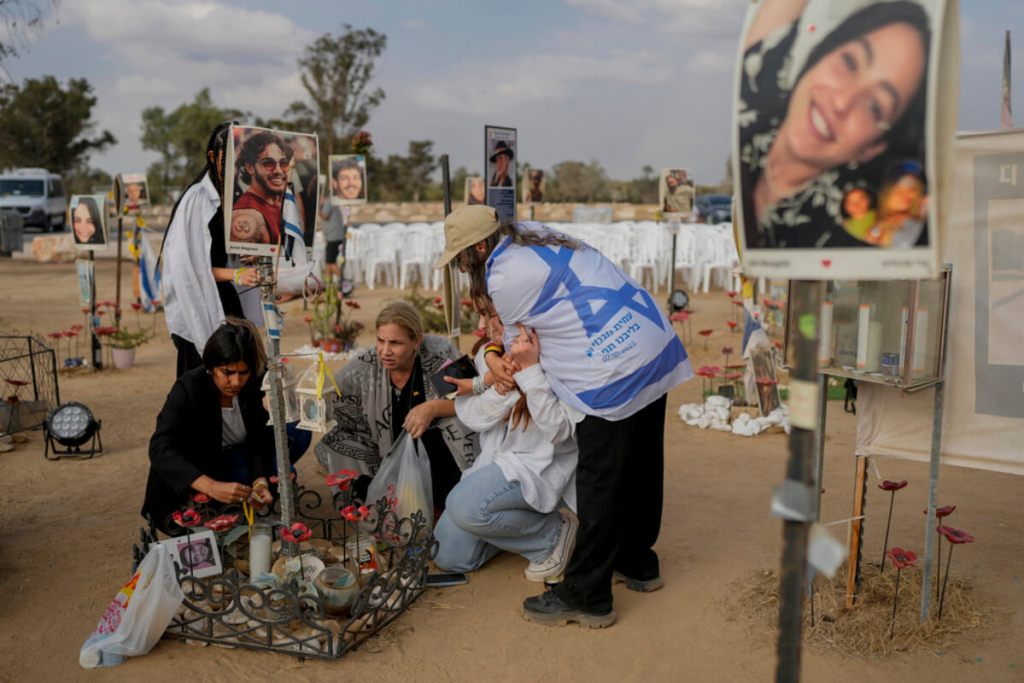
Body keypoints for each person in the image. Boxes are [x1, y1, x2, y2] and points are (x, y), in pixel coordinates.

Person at [435, 205, 693, 628]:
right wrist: (498, 354)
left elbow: (523, 349)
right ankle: (638, 562)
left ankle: (587, 596)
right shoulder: (530, 233)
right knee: (644, 466)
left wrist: (500, 360)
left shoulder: (500, 276)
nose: (463, 268)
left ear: (478, 248)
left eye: (462, 258)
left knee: (601, 482)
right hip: (648, 341)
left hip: (608, 368)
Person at [738, 0, 931, 248]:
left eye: (875, 106)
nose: (842, 103)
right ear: (821, 53)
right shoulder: (754, 91)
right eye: (850, 63)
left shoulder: (841, 235)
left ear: (873, 148)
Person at [434, 300, 579, 581]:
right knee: (449, 555)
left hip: (538, 468)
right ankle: (505, 528)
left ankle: (552, 535)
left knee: (463, 505)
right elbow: (472, 418)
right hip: (494, 465)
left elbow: (559, 433)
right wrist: (498, 386)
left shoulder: (558, 361)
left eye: (490, 316)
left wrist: (527, 373)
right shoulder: (488, 357)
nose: (480, 326)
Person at [160, 122, 317, 377]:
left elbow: (231, 255)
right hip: (203, 301)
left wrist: (250, 257)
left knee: (244, 373)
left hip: (229, 300)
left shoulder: (231, 199)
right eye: (227, 155)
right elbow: (186, 269)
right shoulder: (197, 200)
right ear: (213, 157)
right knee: (206, 381)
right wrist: (234, 275)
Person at [315, 301, 477, 511]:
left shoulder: (436, 355)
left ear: (416, 341)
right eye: (380, 341)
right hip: (386, 454)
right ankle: (374, 506)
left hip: (438, 455)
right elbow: (330, 393)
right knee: (334, 441)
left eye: (395, 343)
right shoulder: (369, 362)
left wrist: (433, 408)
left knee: (446, 428)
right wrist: (288, 398)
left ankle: (451, 503)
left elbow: (475, 400)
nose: (385, 351)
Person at [142, 319, 275, 535]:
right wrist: (211, 486)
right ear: (211, 368)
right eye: (227, 372)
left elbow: (258, 439)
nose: (236, 382)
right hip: (197, 472)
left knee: (295, 432)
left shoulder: (254, 384)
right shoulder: (189, 388)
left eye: (243, 373)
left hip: (233, 459)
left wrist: (260, 481)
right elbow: (159, 447)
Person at [232, 130, 292, 245]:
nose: (278, 171)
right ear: (250, 168)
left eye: (283, 163)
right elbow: (240, 262)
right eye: (268, 163)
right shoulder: (248, 214)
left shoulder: (275, 204)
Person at [866, 160, 928, 247]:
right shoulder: (872, 222)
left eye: (913, 189)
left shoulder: (921, 218)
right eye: (898, 190)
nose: (906, 195)